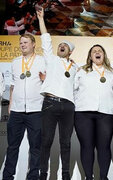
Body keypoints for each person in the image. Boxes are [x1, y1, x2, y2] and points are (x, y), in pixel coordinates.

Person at [37, 8, 77, 180]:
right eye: (60, 45)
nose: (62, 46)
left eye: (65, 46)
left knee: (66, 143)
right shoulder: (51, 59)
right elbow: (46, 39)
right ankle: (43, 174)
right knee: (46, 141)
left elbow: (78, 88)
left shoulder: (76, 68)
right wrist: (41, 19)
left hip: (68, 106)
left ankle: (65, 175)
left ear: (70, 52)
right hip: (50, 103)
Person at [2, 33, 45, 180]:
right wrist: (11, 104)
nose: (23, 45)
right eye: (21, 43)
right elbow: (13, 86)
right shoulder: (15, 62)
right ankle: (7, 176)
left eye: (26, 42)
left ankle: (33, 176)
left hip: (36, 110)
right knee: (12, 147)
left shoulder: (42, 61)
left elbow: (49, 83)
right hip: (17, 110)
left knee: (35, 148)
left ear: (34, 44)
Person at [74, 44, 113, 180]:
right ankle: (88, 177)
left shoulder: (112, 73)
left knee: (104, 147)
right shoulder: (81, 71)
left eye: (100, 51)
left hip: (106, 113)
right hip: (83, 113)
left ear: (104, 55)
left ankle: (103, 177)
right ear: (90, 57)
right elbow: (72, 89)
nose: (97, 53)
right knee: (87, 146)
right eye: (94, 51)